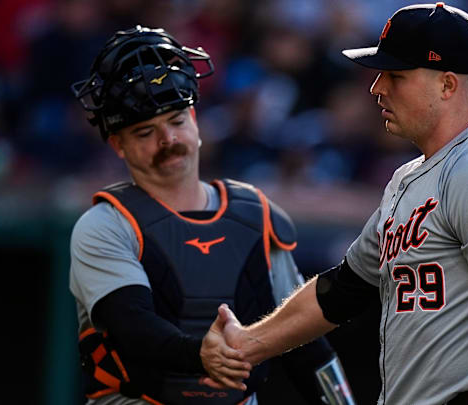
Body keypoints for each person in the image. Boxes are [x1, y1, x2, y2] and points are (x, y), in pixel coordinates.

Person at [201, 3, 468, 405]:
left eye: (396, 75)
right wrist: (247, 343)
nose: (377, 87)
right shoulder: (409, 178)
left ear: (447, 85)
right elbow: (344, 289)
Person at [68, 25, 351, 405]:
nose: (167, 140)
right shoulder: (105, 225)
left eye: (176, 121)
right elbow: (131, 327)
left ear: (196, 121)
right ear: (118, 145)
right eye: (145, 132)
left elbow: (304, 340)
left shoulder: (254, 213)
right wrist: (202, 356)